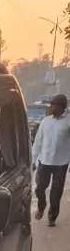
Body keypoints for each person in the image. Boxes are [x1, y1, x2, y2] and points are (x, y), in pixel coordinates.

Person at [32, 94, 70, 226]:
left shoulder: (68, 121)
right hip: (44, 161)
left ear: (62, 107)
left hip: (61, 163)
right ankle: (41, 206)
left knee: (56, 193)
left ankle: (52, 217)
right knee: (39, 189)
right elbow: (38, 141)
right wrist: (33, 159)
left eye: (54, 105)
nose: (51, 107)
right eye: (51, 104)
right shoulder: (45, 121)